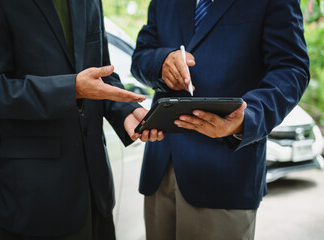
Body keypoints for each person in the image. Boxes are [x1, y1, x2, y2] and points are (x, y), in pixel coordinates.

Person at [0, 0, 163, 239]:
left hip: (97, 195)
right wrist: (71, 89)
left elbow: (101, 74)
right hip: (39, 202)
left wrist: (126, 110)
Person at [131, 0, 309, 239]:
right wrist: (161, 62)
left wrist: (248, 116)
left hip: (225, 172)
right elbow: (141, 56)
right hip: (160, 168)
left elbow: (291, 68)